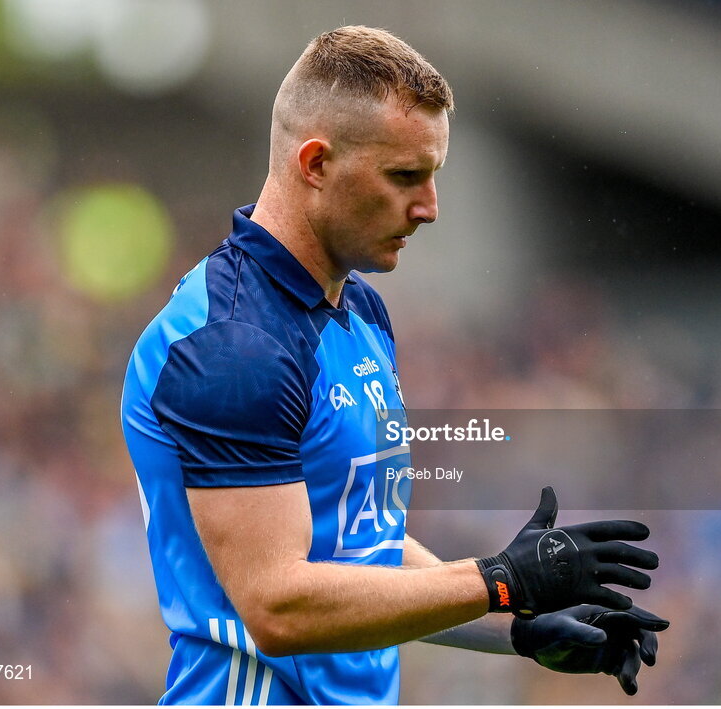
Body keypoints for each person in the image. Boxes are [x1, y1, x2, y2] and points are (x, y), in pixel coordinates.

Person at [121, 25, 667, 705]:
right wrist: (501, 579)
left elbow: (361, 548)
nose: (429, 207)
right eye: (405, 176)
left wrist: (516, 627)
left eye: (434, 175)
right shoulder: (235, 346)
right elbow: (279, 606)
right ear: (315, 163)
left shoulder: (361, 312)